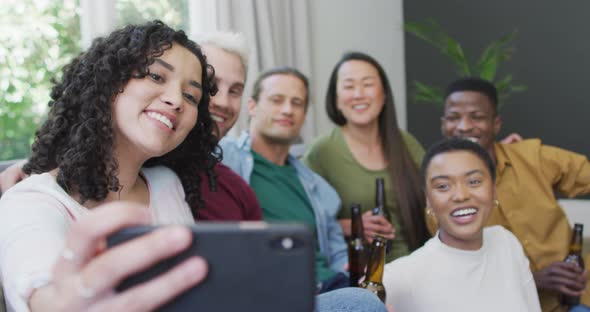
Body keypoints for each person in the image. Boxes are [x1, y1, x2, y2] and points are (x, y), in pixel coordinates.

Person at [0, 20, 217, 311]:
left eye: (192, 96)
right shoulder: (29, 202)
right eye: (155, 76)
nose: (176, 100)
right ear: (108, 82)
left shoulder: (167, 184)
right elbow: (45, 295)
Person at [0, 32, 263, 222]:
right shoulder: (39, 197)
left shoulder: (230, 188)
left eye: (235, 90)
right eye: (210, 85)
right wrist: (31, 167)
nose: (220, 102)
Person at [438, 77, 590, 312]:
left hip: (577, 301)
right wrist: (534, 279)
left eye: (476, 117)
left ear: (496, 124)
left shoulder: (532, 157)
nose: (464, 126)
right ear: (443, 124)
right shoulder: (440, 195)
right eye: (454, 117)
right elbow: (462, 276)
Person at [219, 67, 351, 293]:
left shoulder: (318, 188)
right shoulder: (223, 158)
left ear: (304, 115)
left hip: (327, 288)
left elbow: (339, 255)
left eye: (297, 103)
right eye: (277, 100)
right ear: (252, 106)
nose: (288, 110)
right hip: (272, 291)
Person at [384, 138, 541, 312]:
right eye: (443, 186)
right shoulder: (399, 277)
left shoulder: (506, 242)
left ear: (494, 190)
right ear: (428, 200)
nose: (460, 195)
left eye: (474, 181)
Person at [303, 52, 428, 263]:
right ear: (336, 99)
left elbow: (438, 193)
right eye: (349, 86)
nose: (359, 94)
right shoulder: (321, 152)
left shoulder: (405, 143)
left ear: (384, 94)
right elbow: (303, 219)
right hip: (359, 277)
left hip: (416, 265)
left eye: (368, 84)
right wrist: (349, 225)